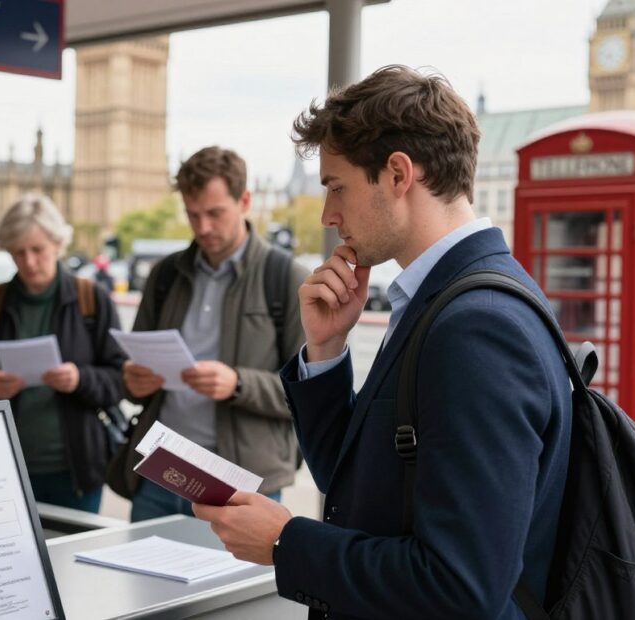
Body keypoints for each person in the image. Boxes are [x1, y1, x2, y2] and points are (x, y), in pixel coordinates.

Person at [192, 66, 573, 619]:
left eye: (336, 186)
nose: (327, 215)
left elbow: (463, 587)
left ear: (398, 174)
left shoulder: (477, 328)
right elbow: (357, 493)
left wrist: (286, 543)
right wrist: (325, 350)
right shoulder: (443, 299)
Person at [121, 146, 309, 521]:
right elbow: (130, 373)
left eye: (214, 213)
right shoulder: (165, 276)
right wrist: (133, 382)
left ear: (245, 201)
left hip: (241, 484)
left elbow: (309, 395)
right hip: (162, 471)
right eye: (193, 215)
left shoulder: (285, 278)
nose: (203, 227)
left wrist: (237, 383)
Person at [0, 193, 126, 513]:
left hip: (76, 473)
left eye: (37, 250)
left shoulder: (92, 300)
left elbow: (120, 380)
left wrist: (79, 379)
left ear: (58, 244)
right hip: (1, 472)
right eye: (19, 252)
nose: (29, 262)